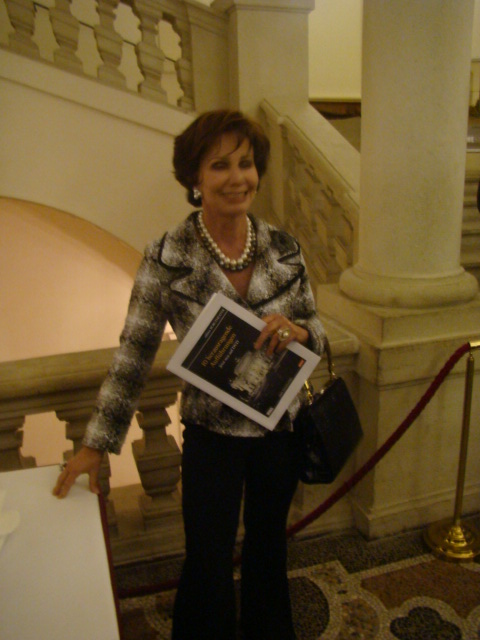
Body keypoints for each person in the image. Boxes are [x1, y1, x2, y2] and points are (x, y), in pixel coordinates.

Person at [53, 109, 325, 639]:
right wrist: (96, 443)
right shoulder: (166, 256)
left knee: (269, 550)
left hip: (279, 431)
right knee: (207, 559)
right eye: (220, 165)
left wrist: (301, 332)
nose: (237, 178)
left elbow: (317, 328)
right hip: (211, 435)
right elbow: (134, 355)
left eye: (245, 163)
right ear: (194, 178)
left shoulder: (284, 248)